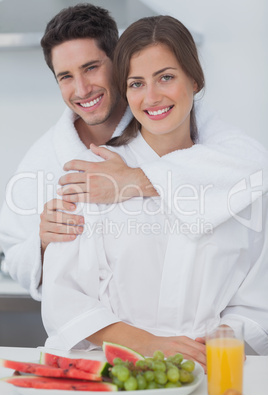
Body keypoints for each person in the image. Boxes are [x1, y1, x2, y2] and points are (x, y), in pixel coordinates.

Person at [41, 15, 268, 369]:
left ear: (194, 79)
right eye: (135, 83)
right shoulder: (92, 176)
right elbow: (62, 296)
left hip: (208, 372)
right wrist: (145, 343)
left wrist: (222, 337)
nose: (152, 96)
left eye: (166, 77)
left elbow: (258, 294)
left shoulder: (241, 182)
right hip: (117, 374)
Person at [0, 4, 267, 302]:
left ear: (119, 63)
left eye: (91, 67)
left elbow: (253, 165)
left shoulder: (170, 119)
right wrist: (42, 243)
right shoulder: (43, 159)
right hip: (92, 330)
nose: (82, 89)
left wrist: (136, 180)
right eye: (66, 77)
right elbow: (15, 256)